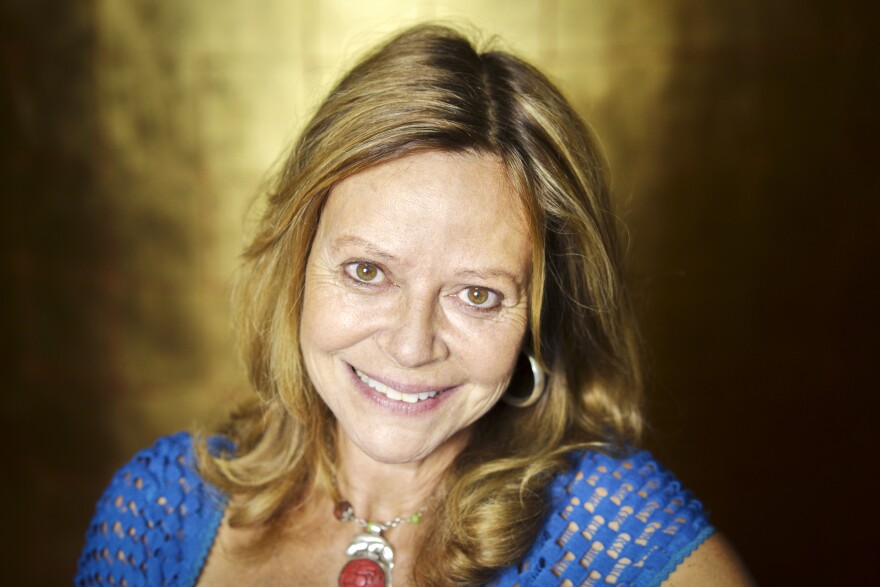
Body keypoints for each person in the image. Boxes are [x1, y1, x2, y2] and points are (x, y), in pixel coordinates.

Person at [75, 24, 753, 587]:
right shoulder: (160, 510)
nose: (410, 344)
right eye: (368, 271)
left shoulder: (614, 532)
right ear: (298, 269)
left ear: (539, 317)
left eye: (478, 294)